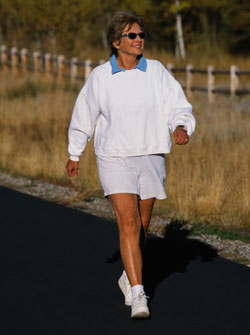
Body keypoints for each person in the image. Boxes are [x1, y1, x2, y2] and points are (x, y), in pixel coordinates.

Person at [66, 11, 195, 319]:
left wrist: (181, 125)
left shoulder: (156, 71)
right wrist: (75, 153)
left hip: (150, 155)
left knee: (142, 227)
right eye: (132, 36)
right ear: (116, 42)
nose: (140, 40)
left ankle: (128, 272)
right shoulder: (101, 76)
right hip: (113, 156)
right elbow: (84, 114)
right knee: (128, 223)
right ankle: (139, 293)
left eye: (141, 35)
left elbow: (178, 105)